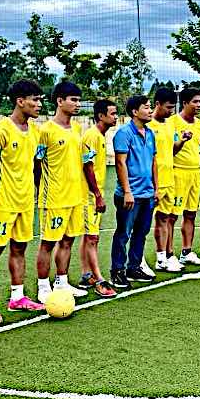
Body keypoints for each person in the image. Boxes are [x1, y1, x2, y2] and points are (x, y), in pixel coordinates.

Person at [0, 80, 47, 324]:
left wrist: (34, 191)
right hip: (3, 202)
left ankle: (17, 297)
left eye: (40, 100)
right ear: (20, 101)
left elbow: (36, 166)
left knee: (19, 248)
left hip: (25, 201)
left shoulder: (36, 132)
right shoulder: (0, 131)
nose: (39, 104)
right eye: (35, 100)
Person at [35, 81, 89, 302]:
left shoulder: (77, 129)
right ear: (59, 101)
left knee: (68, 240)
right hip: (54, 197)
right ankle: (42, 286)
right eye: (73, 100)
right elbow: (36, 164)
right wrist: (40, 189)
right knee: (48, 242)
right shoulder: (45, 131)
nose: (77, 104)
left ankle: (62, 282)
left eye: (78, 100)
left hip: (75, 196)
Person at [109, 95, 158, 289]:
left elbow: (154, 162)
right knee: (123, 233)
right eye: (146, 107)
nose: (150, 110)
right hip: (129, 195)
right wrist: (127, 192)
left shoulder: (150, 133)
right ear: (134, 112)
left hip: (147, 194)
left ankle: (134, 267)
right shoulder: (123, 133)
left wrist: (157, 188)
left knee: (141, 232)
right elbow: (120, 163)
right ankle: (117, 271)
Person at [78, 99, 118, 297]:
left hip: (93, 194)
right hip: (88, 196)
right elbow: (88, 167)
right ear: (101, 116)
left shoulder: (100, 136)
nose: (116, 117)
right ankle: (99, 279)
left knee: (90, 236)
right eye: (112, 113)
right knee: (92, 237)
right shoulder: (92, 136)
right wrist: (97, 195)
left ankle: (87, 274)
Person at [149, 88, 185, 273]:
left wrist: (182, 142)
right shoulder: (148, 126)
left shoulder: (170, 124)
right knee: (144, 222)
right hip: (151, 182)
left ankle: (162, 258)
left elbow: (171, 150)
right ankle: (137, 261)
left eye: (173, 107)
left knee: (165, 218)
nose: (171, 111)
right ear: (157, 105)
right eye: (168, 107)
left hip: (169, 180)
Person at [169, 88, 200, 266]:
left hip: (195, 172)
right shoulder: (173, 122)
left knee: (190, 214)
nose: (199, 105)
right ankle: (168, 254)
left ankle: (186, 251)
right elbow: (170, 151)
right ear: (184, 103)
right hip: (178, 172)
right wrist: (182, 140)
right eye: (195, 102)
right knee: (172, 215)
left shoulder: (199, 124)